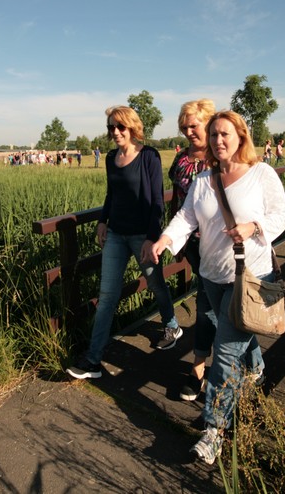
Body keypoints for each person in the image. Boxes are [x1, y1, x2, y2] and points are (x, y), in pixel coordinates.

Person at [150, 110, 285, 465]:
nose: (217, 140)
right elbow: (187, 217)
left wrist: (253, 227)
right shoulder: (203, 179)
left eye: (224, 133)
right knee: (239, 331)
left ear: (241, 136)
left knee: (225, 352)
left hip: (251, 275)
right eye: (213, 135)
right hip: (212, 275)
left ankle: (213, 431)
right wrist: (165, 239)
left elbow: (282, 214)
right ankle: (256, 366)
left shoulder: (261, 174)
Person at [66, 106, 182, 380]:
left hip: (143, 236)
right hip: (116, 234)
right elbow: (112, 194)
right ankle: (93, 360)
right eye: (111, 127)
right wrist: (103, 220)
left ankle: (172, 325)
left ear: (132, 127)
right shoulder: (110, 158)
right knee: (107, 296)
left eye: (120, 127)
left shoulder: (149, 156)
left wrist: (152, 238)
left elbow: (157, 201)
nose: (115, 132)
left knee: (155, 283)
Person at [168, 100, 265, 403]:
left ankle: (200, 372)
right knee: (221, 308)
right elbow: (179, 204)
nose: (188, 132)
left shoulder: (221, 161)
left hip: (224, 245)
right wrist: (173, 239)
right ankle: (251, 362)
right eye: (184, 127)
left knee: (211, 310)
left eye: (194, 126)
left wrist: (254, 227)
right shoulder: (181, 160)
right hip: (195, 246)